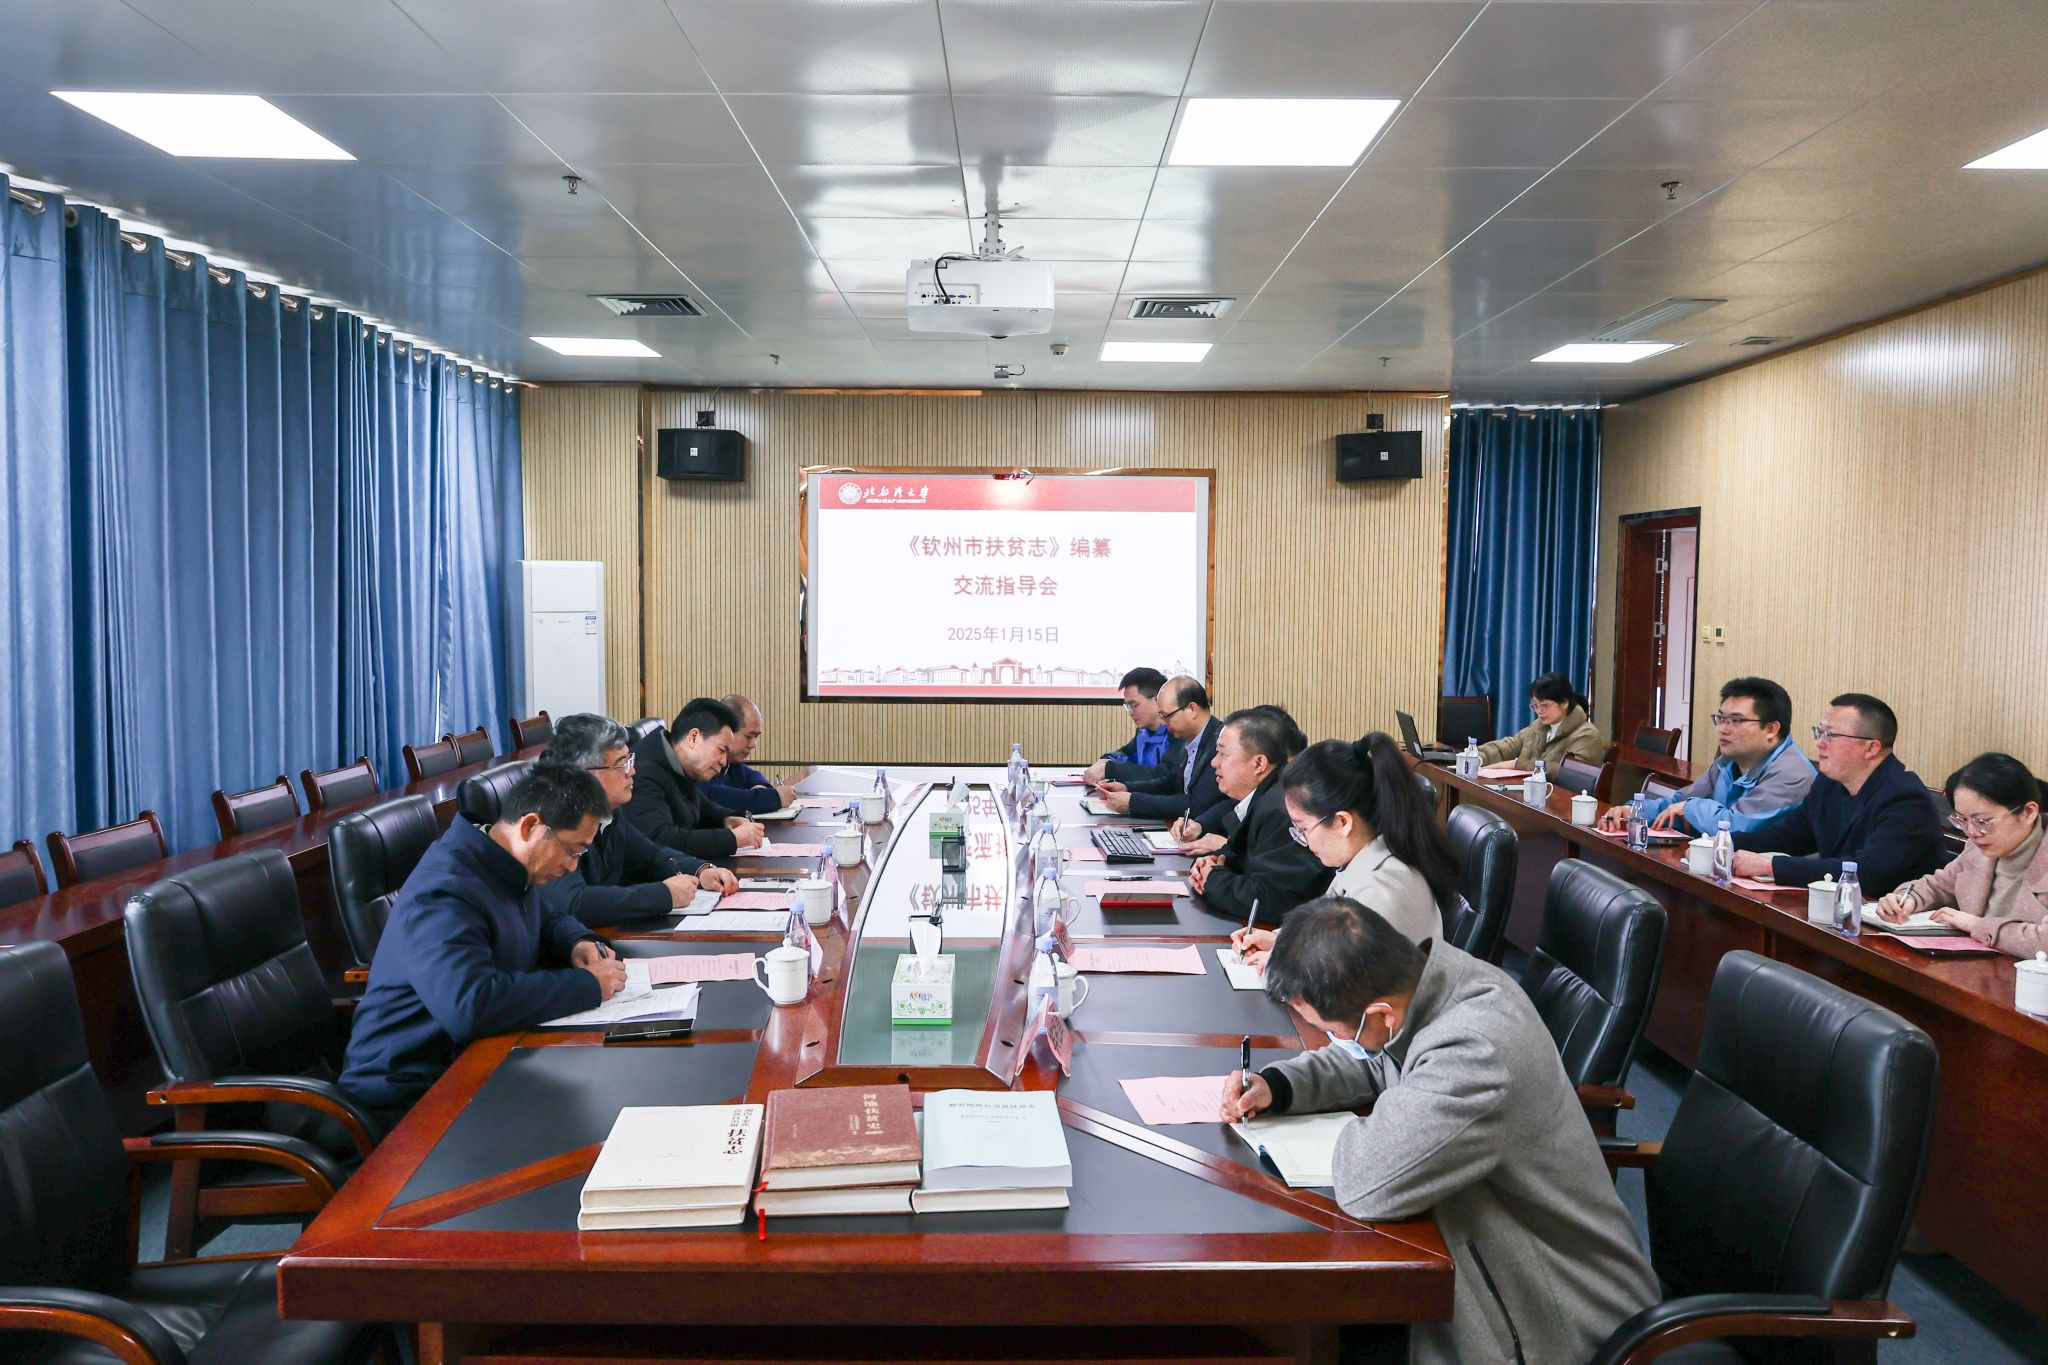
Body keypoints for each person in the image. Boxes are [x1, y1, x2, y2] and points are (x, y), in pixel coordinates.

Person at [1223, 898, 1659, 1365]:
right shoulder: (1426, 981)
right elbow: (1374, 1061)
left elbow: (1365, 1183)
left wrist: (1379, 1122)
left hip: (1554, 1315)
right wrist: (1279, 1085)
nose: (1337, 1041)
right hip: (1481, 1253)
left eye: (1335, 1031)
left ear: (1382, 1015)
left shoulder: (1475, 1049)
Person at [339, 765, 628, 1128]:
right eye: (573, 851)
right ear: (530, 827)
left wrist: (577, 941)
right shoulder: (444, 891)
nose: (573, 867)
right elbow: (470, 1006)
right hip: (411, 1097)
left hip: (481, 1063)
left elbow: (546, 915)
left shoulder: (503, 861)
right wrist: (587, 986)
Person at [1232, 732, 1460, 966]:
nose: (1303, 840)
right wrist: (1279, 941)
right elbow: (1322, 934)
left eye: (1303, 828)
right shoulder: (1361, 861)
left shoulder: (1381, 892)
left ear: (1343, 822)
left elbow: (1343, 978)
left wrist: (1278, 964)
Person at [1730, 692, 1944, 896]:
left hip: (1886, 910)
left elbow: (1868, 873)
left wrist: (1771, 866)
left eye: (1831, 735)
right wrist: (1723, 842)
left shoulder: (1906, 799)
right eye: (1820, 732)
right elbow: (1789, 836)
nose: (1820, 743)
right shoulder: (1829, 783)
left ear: (1871, 748)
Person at [537, 714, 738, 927]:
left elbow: (650, 855)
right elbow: (574, 902)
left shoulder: (609, 812)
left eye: (629, 760)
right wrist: (664, 895)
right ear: (585, 775)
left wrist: (702, 870)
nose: (632, 771)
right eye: (622, 764)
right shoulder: (553, 823)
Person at [1876, 752, 2048, 957]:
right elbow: (1938, 885)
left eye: (1982, 821)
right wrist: (1907, 898)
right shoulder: (1979, 848)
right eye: (1962, 820)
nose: (1971, 832)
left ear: (2028, 812)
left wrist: (1977, 925)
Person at [1600, 676, 1815, 836]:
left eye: (1736, 721)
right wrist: (1634, 811)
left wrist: (1690, 808)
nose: (1723, 729)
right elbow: (1680, 801)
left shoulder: (1792, 773)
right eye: (1721, 719)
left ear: (1771, 729)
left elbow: (1736, 827)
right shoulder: (1727, 761)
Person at [1187, 708, 1332, 925]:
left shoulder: (1282, 809)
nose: (1214, 762)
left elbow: (1274, 901)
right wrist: (1208, 864)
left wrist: (1212, 878)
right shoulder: (1266, 795)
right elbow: (1238, 857)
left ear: (1259, 764)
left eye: (1223, 753)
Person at [622, 697, 766, 862]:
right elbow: (659, 839)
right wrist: (731, 839)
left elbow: (699, 803)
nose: (724, 761)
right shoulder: (644, 772)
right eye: (721, 750)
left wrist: (726, 819)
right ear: (694, 737)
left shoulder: (674, 759)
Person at [1093, 676, 1230, 829]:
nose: (1164, 723)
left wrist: (1133, 802)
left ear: (1192, 709)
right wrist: (1127, 788)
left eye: (1167, 716)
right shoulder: (1190, 739)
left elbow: (1197, 804)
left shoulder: (1219, 743)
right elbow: (1170, 783)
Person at [1475, 672, 1605, 770]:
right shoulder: (1539, 726)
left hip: (1559, 797)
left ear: (1565, 703)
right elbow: (1511, 745)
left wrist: (1517, 765)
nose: (1539, 711)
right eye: (1535, 705)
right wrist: (1479, 757)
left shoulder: (1587, 736)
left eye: (1545, 705)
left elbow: (1571, 773)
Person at [701, 693, 800, 815]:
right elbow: (716, 797)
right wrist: (774, 797)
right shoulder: (703, 761)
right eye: (749, 736)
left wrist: (761, 787)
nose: (753, 744)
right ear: (727, 730)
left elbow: (752, 775)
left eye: (755, 737)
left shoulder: (732, 762)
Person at [1085, 667, 1171, 782]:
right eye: (1127, 706)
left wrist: (1110, 769)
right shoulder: (1143, 733)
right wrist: (1106, 761)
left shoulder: (1177, 733)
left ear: (1157, 700)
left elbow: (1164, 775)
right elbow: (1125, 754)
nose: (1130, 712)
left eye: (1134, 705)